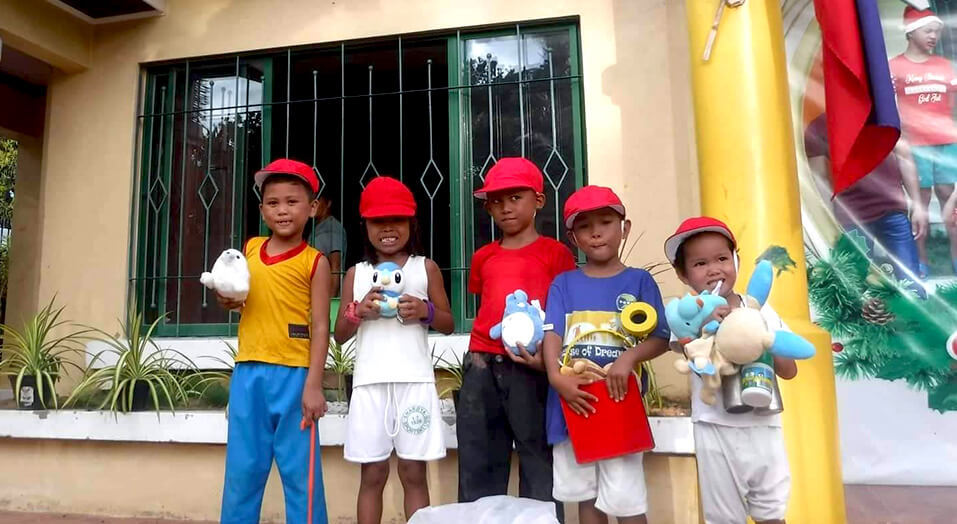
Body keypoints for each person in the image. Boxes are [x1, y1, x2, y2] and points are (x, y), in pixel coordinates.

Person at [456, 157, 577, 515]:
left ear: (538, 200)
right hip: (481, 363)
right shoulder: (483, 257)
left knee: (538, 457)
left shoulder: (556, 254)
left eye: (515, 197)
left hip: (533, 367)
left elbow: (563, 315)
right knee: (478, 460)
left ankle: (541, 521)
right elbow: (488, 305)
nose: (505, 207)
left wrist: (550, 362)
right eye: (496, 200)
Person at [543, 186, 670, 524]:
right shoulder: (563, 284)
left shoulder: (639, 281)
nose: (596, 232)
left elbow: (661, 336)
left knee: (627, 501)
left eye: (606, 222)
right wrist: (557, 378)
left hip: (620, 405)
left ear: (624, 228)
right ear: (573, 237)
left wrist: (629, 359)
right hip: (575, 404)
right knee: (586, 498)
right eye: (585, 226)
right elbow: (552, 334)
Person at [334, 176, 454, 523]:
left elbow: (448, 323)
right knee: (372, 475)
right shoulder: (356, 274)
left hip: (414, 384)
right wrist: (359, 311)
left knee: (413, 474)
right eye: (377, 221)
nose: (388, 228)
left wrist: (425, 311)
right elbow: (339, 334)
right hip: (370, 385)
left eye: (397, 220)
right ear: (365, 226)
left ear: (411, 224)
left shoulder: (424, 267)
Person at [217, 158, 331, 524]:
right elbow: (241, 300)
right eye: (273, 202)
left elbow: (320, 325)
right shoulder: (248, 251)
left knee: (301, 476)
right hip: (248, 372)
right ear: (263, 209)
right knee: (242, 472)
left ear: (312, 208)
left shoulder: (315, 263)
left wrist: (314, 385)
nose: (282, 210)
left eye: (292, 201)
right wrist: (227, 300)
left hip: (295, 377)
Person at [664, 217, 797, 524]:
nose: (714, 269)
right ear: (682, 274)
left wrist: (756, 333)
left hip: (764, 426)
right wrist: (707, 327)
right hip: (714, 426)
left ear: (736, 260)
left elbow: (789, 371)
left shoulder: (760, 309)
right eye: (700, 263)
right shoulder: (686, 315)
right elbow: (697, 365)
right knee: (723, 516)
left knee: (772, 511)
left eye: (722, 258)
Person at [804, 112, 927, 285]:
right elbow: (819, 178)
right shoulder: (818, 127)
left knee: (909, 280)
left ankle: (913, 309)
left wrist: (918, 205)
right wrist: (829, 217)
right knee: (853, 283)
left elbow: (903, 154)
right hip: (850, 216)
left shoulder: (883, 112)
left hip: (892, 209)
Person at [888, 6, 957, 277]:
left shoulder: (945, 66)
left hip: (947, 144)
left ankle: (955, 262)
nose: (933, 36)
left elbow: (951, 110)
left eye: (937, 32)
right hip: (914, 148)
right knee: (920, 204)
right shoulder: (894, 67)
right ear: (911, 32)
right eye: (928, 30)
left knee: (951, 202)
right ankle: (922, 264)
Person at [312, 193, 347, 296]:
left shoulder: (333, 227)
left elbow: (336, 266)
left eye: (318, 199)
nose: (314, 203)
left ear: (328, 204)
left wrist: (331, 299)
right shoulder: (316, 227)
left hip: (325, 293)